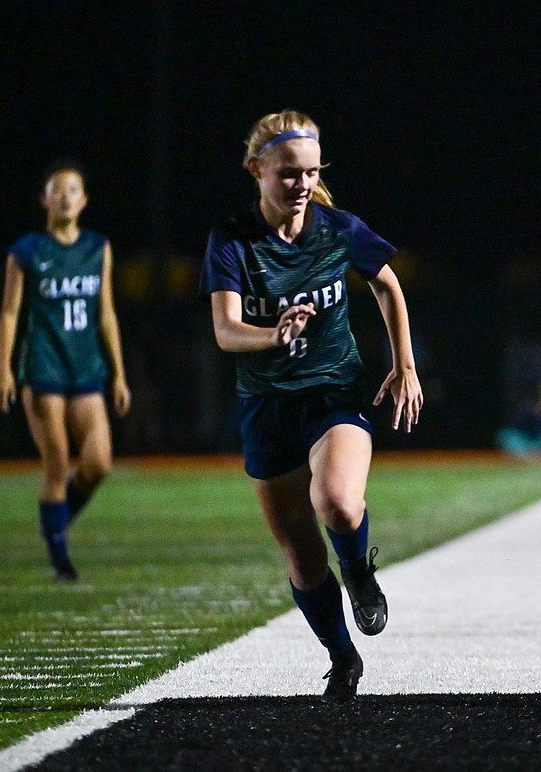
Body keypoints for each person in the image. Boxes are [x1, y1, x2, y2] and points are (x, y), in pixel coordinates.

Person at [199, 110, 423, 701]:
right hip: (268, 406)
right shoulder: (232, 238)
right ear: (257, 170)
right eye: (287, 174)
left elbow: (387, 283)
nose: (301, 186)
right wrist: (274, 335)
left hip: (334, 391)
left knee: (338, 502)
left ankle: (359, 573)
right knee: (300, 555)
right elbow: (225, 330)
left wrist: (404, 363)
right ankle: (342, 655)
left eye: (310, 173)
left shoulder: (337, 227)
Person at [0, 163, 131, 583]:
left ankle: (55, 524)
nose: (66, 196)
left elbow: (106, 313)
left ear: (84, 200)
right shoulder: (27, 250)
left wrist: (119, 374)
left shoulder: (97, 247)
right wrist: (4, 369)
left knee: (99, 463)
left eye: (74, 190)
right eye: (58, 190)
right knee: (56, 464)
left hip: (87, 369)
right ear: (45, 200)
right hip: (44, 368)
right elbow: (10, 313)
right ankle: (61, 561)